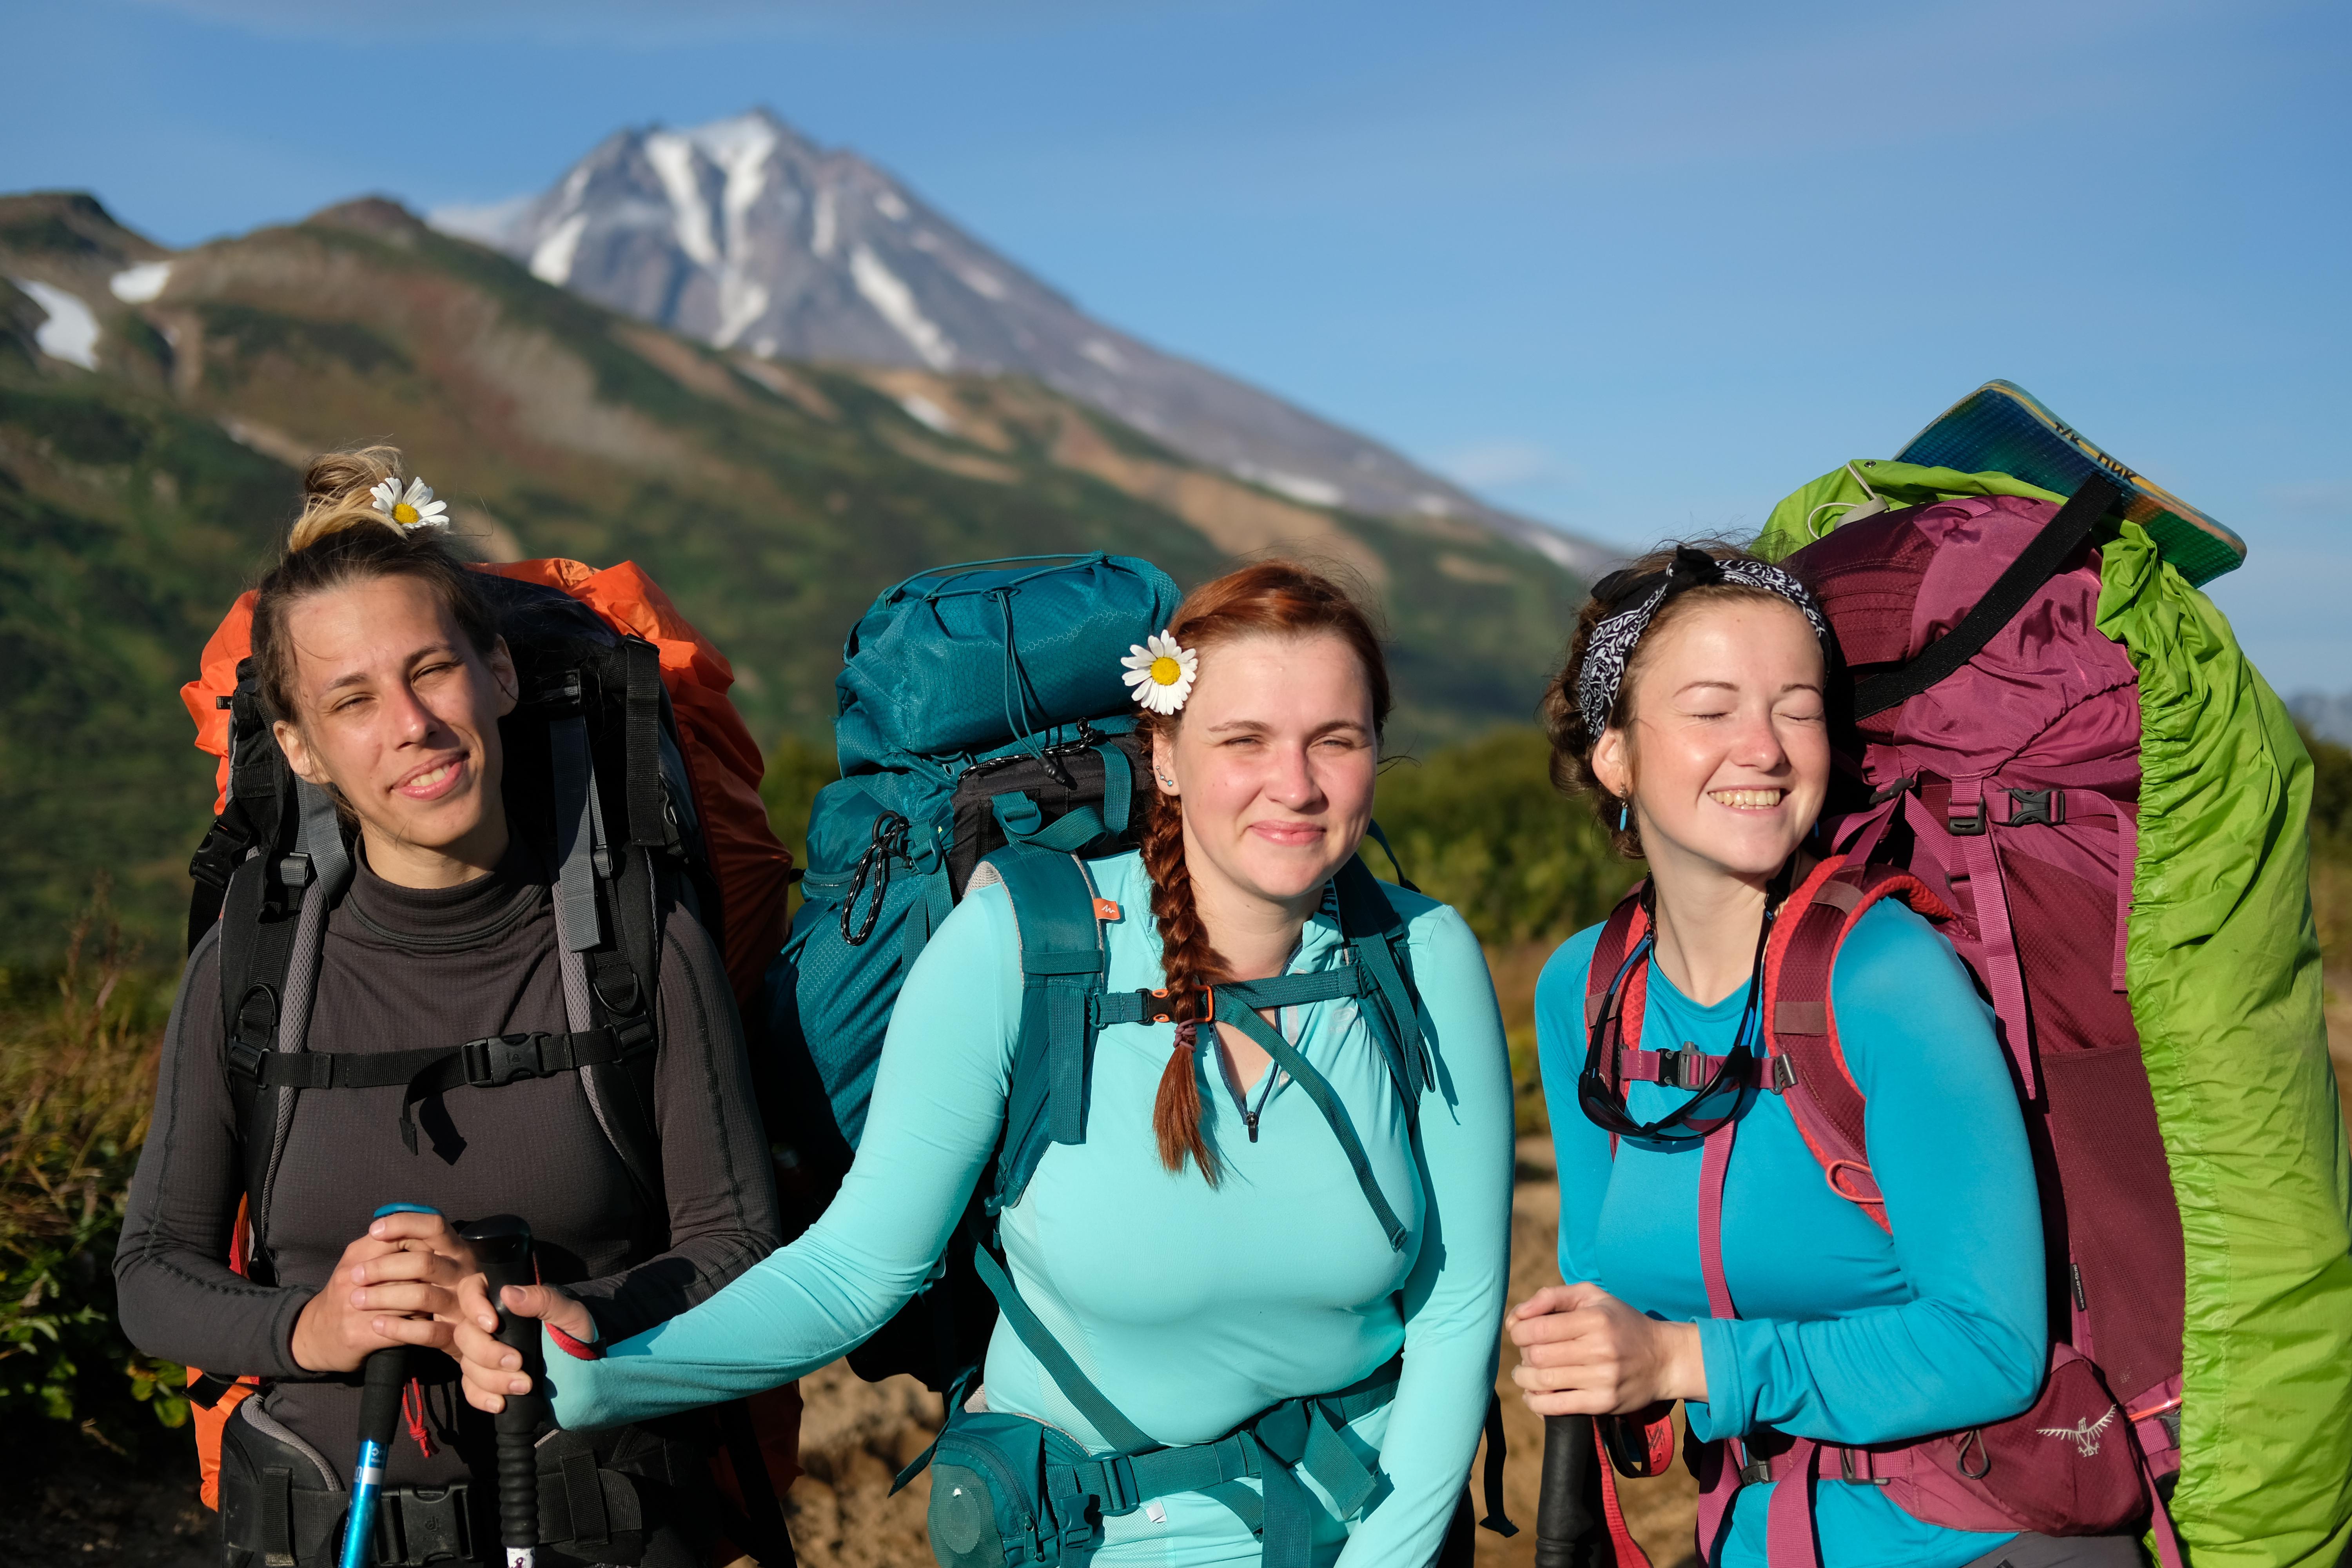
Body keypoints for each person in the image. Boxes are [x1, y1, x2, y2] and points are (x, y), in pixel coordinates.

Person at [457, 562, 1517, 1567]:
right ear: (1168, 755)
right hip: (1088, 1539)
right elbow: (858, 1268)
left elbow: (1458, 1310)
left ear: (1379, 750)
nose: (1293, 784)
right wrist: (602, 1372)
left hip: (1365, 1529)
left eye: (1335, 739)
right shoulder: (1021, 941)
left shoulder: (1421, 957)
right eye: (1245, 739)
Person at [116, 449, 782, 1567]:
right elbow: (152, 1272)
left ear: (502, 676)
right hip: (321, 1528)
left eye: (432, 670)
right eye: (351, 700)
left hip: (600, 1528)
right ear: (299, 749)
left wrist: (558, 1311)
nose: (411, 725)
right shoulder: (254, 965)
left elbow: (743, 1246)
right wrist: (315, 1327)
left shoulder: (636, 942)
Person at [1508, 544, 2134, 1568]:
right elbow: (1600, 1285)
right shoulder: (1584, 992)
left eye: (1797, 708)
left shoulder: (1885, 977)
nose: (1763, 748)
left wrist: (1681, 1359)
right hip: (1749, 1538)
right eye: (1712, 710)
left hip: (1978, 1544)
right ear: (1614, 752)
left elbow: (1992, 1345)